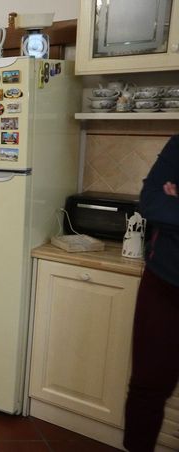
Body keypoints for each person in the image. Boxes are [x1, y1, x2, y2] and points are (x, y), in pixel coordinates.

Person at [124, 135, 179, 452]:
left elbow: (168, 211)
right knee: (147, 387)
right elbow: (151, 201)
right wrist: (167, 203)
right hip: (164, 283)